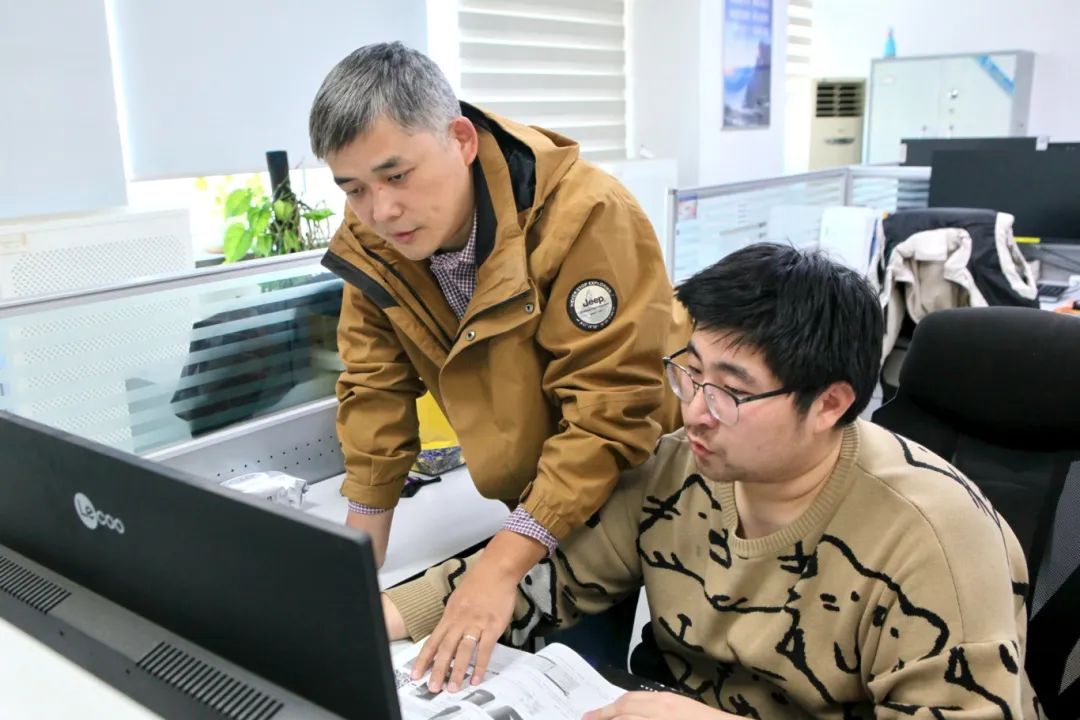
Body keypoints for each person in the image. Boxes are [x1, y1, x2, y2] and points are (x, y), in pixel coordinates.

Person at [382, 243, 1040, 719]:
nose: (695, 411)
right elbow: (537, 579)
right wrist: (365, 619)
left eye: (730, 391)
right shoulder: (677, 466)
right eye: (691, 373)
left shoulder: (937, 540)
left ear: (830, 405)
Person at [308, 43, 686, 673]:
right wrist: (355, 562)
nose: (381, 210)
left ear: (460, 139)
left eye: (396, 176)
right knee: (512, 671)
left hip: (642, 478)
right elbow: (374, 391)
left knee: (595, 677)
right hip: (536, 497)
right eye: (353, 189)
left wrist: (501, 566)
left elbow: (609, 413)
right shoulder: (374, 241)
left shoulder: (587, 215)